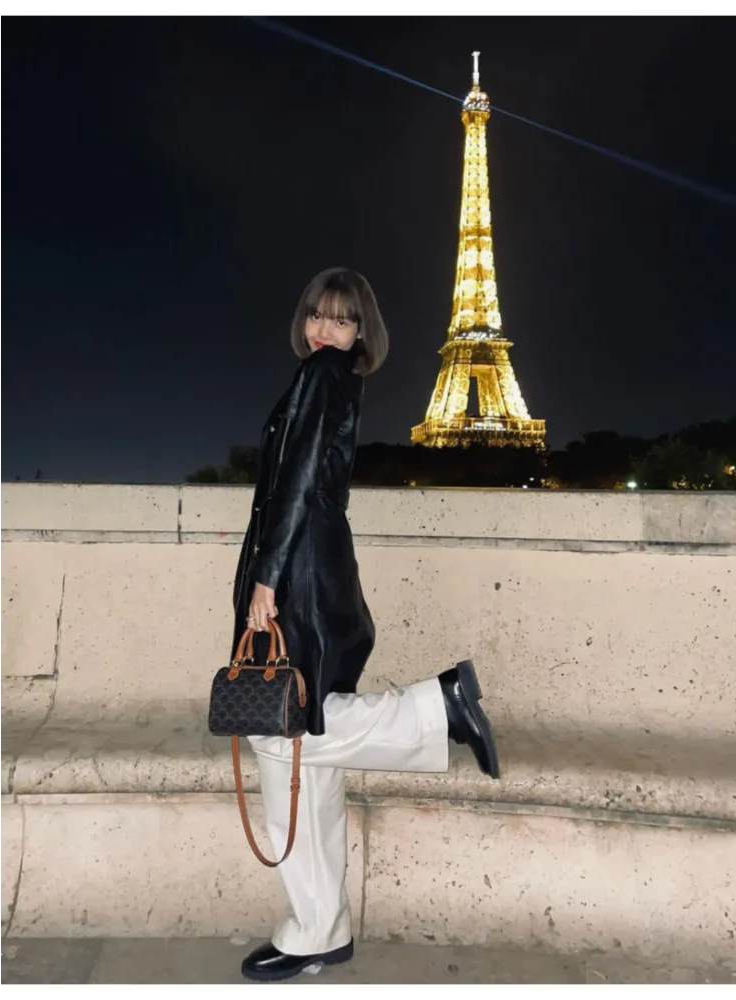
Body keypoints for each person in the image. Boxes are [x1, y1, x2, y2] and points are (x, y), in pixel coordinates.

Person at [231, 267, 500, 983]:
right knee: (305, 749)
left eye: (342, 319)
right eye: (317, 314)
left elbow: (293, 486)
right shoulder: (338, 378)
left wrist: (266, 577)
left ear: (361, 332)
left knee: (284, 731)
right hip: (321, 572)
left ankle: (436, 707)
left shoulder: (321, 375)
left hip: (299, 578)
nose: (325, 329)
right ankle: (319, 930)